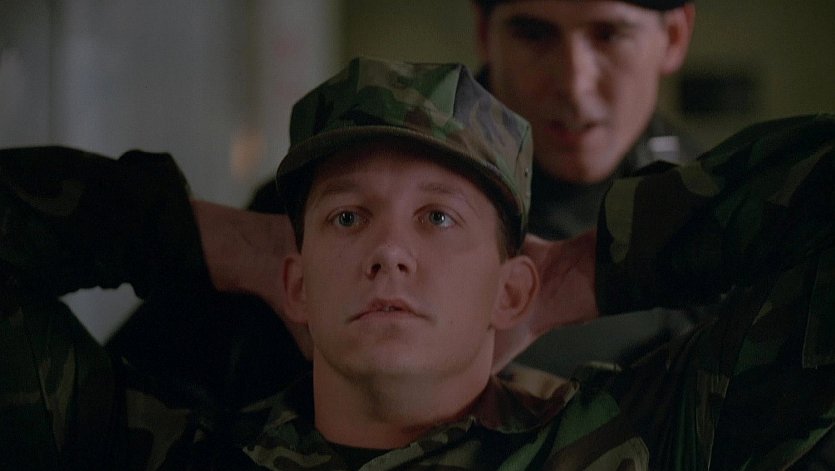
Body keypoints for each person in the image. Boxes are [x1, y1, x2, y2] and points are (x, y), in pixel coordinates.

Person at [2, 57, 833, 470]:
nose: (388, 251)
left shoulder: (652, 437)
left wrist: (595, 264)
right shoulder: (156, 449)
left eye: (438, 217)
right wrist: (210, 239)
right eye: (347, 216)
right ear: (295, 280)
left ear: (511, 287)